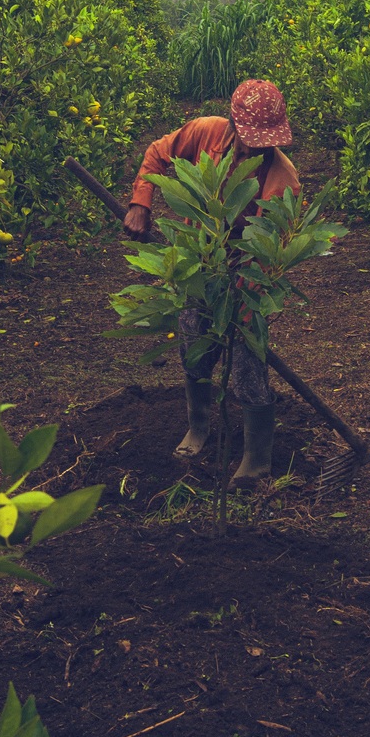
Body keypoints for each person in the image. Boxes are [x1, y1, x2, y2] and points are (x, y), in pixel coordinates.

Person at [123, 79, 301, 487]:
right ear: (235, 125)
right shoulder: (206, 132)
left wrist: (243, 301)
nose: (257, 148)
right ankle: (199, 427)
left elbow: (271, 253)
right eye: (251, 138)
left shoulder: (283, 181)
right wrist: (140, 203)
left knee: (248, 366)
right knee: (194, 346)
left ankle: (257, 459)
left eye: (265, 141)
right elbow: (157, 153)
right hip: (199, 262)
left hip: (248, 271)